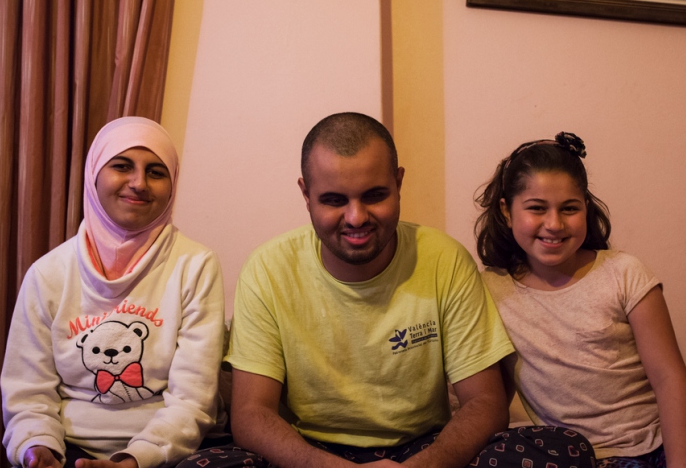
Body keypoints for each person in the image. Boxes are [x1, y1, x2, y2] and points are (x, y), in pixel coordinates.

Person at [180, 113, 595, 468]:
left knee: (564, 451)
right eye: (334, 200)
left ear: (399, 183)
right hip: (312, 454)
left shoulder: (443, 259)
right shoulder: (268, 269)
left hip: (425, 450)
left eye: (375, 195)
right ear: (306, 194)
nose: (356, 217)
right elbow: (251, 414)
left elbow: (485, 403)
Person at [475, 133, 686, 468]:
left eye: (569, 209)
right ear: (507, 211)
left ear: (586, 209)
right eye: (536, 208)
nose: (554, 224)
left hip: (665, 440)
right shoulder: (490, 290)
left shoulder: (624, 273)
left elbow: (669, 378)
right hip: (580, 457)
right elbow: (491, 392)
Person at [1, 117, 227, 468]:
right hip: (65, 448)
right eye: (122, 166)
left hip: (164, 453)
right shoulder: (47, 274)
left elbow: (193, 400)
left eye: (156, 172)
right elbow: (28, 393)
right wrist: (36, 446)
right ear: (94, 175)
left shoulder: (195, 266)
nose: (139, 183)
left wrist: (136, 459)